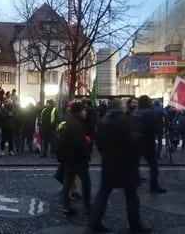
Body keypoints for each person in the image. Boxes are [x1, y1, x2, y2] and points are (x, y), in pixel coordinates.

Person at [89, 99, 151, 233]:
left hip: (108, 161)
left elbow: (98, 142)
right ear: (119, 107)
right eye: (124, 105)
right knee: (131, 195)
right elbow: (131, 142)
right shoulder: (125, 121)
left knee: (104, 191)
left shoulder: (103, 121)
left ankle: (94, 221)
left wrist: (105, 153)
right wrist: (136, 156)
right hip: (125, 163)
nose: (126, 107)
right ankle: (135, 225)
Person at [55, 101, 91, 217]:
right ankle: (88, 206)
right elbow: (79, 144)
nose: (85, 112)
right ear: (78, 112)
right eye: (83, 110)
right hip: (77, 158)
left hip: (67, 157)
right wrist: (86, 152)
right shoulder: (77, 125)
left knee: (68, 182)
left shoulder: (68, 122)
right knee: (86, 182)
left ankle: (66, 208)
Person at [132, 95, 166, 193]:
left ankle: (135, 180)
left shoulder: (135, 112)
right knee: (153, 165)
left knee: (135, 163)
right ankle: (153, 185)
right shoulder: (149, 113)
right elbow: (152, 128)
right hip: (147, 141)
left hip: (135, 141)